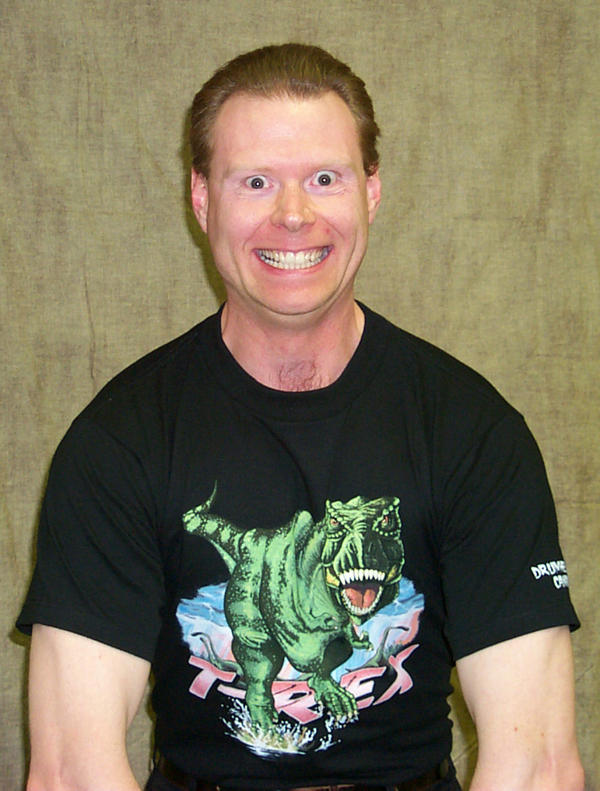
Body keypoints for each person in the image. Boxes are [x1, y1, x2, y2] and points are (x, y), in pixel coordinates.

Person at [18, 43, 584, 791]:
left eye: (324, 178)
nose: (293, 215)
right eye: (256, 181)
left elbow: (538, 765)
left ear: (371, 192)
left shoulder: (472, 432)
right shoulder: (120, 441)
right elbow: (70, 771)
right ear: (202, 199)